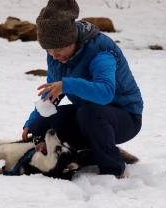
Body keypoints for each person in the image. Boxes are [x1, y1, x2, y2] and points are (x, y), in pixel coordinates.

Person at [22, 0, 143, 178]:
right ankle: (88, 155)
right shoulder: (57, 56)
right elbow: (51, 94)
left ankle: (114, 169)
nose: (54, 56)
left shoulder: (101, 52)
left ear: (72, 40)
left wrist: (67, 84)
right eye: (49, 51)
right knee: (46, 123)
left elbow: (105, 93)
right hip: (88, 113)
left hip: (125, 118)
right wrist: (32, 121)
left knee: (90, 113)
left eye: (58, 49)